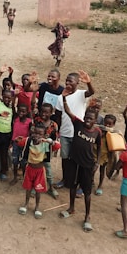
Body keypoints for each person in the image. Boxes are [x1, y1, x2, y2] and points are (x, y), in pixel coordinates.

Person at [59, 92, 101, 233]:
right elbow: (67, 110)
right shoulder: (78, 124)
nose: (87, 120)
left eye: (91, 119)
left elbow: (99, 148)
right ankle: (71, 208)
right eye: (86, 117)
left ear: (95, 120)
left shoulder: (97, 132)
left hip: (87, 165)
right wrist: (64, 98)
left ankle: (87, 216)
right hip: (73, 161)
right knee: (72, 186)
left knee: (87, 192)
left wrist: (97, 163)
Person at [54, 70, 95, 191]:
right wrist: (57, 131)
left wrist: (89, 82)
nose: (67, 83)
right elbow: (58, 115)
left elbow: (91, 92)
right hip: (65, 133)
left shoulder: (81, 94)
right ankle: (65, 179)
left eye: (70, 81)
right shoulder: (60, 97)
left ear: (77, 82)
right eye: (66, 80)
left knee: (79, 161)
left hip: (79, 133)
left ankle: (80, 184)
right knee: (65, 159)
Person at [18, 124, 55, 219]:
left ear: (44, 135)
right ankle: (26, 204)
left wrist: (47, 140)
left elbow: (57, 145)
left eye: (40, 134)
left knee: (38, 191)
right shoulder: (28, 141)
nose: (37, 136)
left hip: (40, 171)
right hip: (29, 169)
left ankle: (37, 208)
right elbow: (18, 142)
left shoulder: (45, 144)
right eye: (35, 133)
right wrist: (19, 139)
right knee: (28, 189)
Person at [34, 102, 60, 199]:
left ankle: (51, 188)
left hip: (47, 151)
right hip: (36, 150)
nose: (44, 114)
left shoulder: (54, 125)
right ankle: (34, 187)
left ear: (51, 113)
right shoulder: (36, 121)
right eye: (42, 112)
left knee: (48, 170)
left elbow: (55, 139)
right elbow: (31, 133)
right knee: (36, 169)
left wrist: (54, 150)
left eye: (46, 112)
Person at [10, 104, 32, 185]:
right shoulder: (16, 119)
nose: (21, 113)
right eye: (20, 111)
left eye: (23, 111)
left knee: (23, 162)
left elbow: (31, 133)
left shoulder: (29, 122)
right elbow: (13, 131)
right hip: (15, 143)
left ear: (27, 112)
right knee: (15, 161)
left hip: (24, 145)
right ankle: (15, 177)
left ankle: (24, 178)